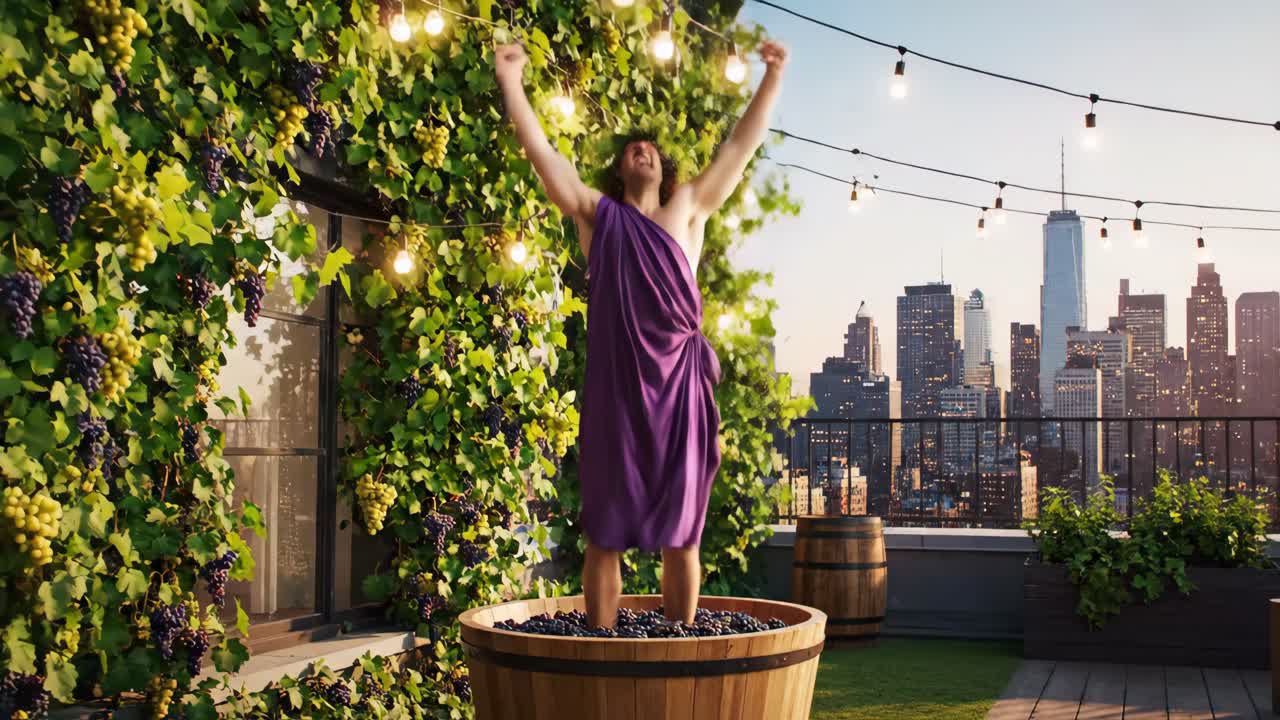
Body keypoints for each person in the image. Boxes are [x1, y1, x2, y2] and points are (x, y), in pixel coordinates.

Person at [495, 39, 788, 627]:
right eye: (634, 147)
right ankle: (599, 652)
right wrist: (511, 82)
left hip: (681, 391)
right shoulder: (596, 214)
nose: (643, 149)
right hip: (617, 391)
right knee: (605, 532)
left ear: (664, 166)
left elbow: (740, 145)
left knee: (682, 534)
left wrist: (773, 75)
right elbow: (544, 155)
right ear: (619, 167)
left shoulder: (689, 207)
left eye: (651, 146)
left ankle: (679, 646)